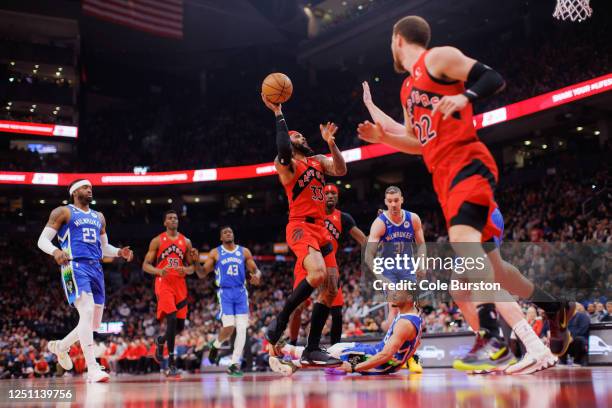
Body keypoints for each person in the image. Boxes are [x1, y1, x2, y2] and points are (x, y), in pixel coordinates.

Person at [357, 15, 570, 373]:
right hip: (446, 178)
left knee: (465, 254)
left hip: (467, 166)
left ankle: (500, 338)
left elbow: (492, 77)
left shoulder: (437, 58)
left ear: (398, 39)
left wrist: (464, 97)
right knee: (495, 271)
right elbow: (417, 142)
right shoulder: (407, 90)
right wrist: (383, 138)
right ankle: (549, 312)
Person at [261, 92, 347, 367]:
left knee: (331, 289)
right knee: (318, 273)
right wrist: (278, 114)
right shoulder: (286, 164)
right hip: (300, 227)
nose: (303, 140)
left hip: (321, 229)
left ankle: (311, 349)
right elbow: (284, 148)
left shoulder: (319, 160)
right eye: (298, 137)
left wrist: (332, 144)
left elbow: (341, 170)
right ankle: (281, 321)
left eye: (302, 137)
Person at [37, 179, 133, 382]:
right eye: (85, 187)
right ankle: (92, 368)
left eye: (90, 188)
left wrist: (119, 252)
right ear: (74, 192)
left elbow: (104, 247)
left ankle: (60, 347)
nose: (89, 190)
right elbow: (42, 240)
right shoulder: (63, 212)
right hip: (73, 265)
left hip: (96, 268)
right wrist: (55, 251)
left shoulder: (99, 216)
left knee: (94, 324)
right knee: (87, 312)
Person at [288, 183, 367, 349]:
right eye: (327, 193)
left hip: (329, 263)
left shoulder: (344, 218)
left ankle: (334, 351)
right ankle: (292, 345)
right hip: (308, 262)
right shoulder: (312, 214)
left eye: (333, 194)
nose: (330, 196)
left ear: (337, 198)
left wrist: (380, 231)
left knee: (336, 311)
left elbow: (364, 240)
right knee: (298, 307)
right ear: (321, 196)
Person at [269, 291, 422, 376]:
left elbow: (385, 355)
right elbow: (415, 345)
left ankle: (286, 351)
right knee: (330, 357)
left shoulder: (405, 323)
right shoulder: (413, 315)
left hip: (382, 362)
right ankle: (292, 363)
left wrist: (356, 368)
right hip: (387, 363)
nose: (391, 294)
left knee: (335, 351)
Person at [195, 226, 261, 377]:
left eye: (230, 231)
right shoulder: (215, 252)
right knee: (229, 327)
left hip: (240, 292)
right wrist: (196, 262)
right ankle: (215, 345)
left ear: (233, 235)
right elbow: (202, 273)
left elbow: (256, 270)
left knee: (242, 329)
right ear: (221, 238)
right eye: (225, 232)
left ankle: (234, 364)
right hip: (225, 292)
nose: (228, 233)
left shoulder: (244, 251)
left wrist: (257, 275)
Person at [142, 210, 197, 378]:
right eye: (170, 218)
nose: (174, 220)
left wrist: (186, 269)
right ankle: (172, 363)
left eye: (176, 218)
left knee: (179, 327)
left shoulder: (186, 241)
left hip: (180, 284)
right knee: (171, 319)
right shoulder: (157, 240)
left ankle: (160, 341)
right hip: (163, 282)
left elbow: (192, 267)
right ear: (165, 222)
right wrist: (159, 270)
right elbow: (145, 265)